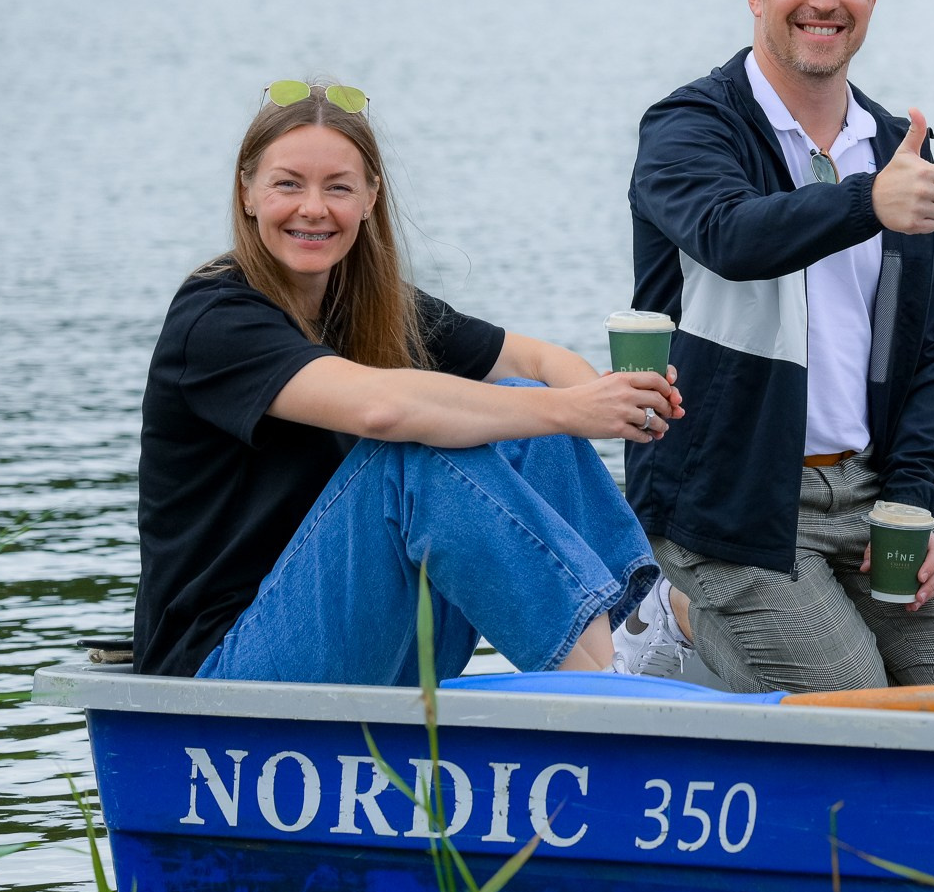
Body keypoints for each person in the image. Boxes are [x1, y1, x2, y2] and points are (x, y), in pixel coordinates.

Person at [618, 0, 934, 693]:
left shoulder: (897, 145)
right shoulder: (688, 126)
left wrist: (913, 501)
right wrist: (867, 201)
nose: (824, 0)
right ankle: (677, 611)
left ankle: (776, 614)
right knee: (854, 705)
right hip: (729, 497)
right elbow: (730, 235)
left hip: (868, 490)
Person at [134, 79, 682, 685]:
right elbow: (381, 410)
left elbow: (536, 363)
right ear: (247, 193)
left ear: (370, 198)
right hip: (226, 670)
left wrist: (607, 399)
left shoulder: (367, 305)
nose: (313, 208)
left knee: (528, 411)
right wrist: (573, 410)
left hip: (367, 636)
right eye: (288, 184)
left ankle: (635, 628)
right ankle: (604, 684)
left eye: (338, 187)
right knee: (414, 458)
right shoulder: (215, 317)